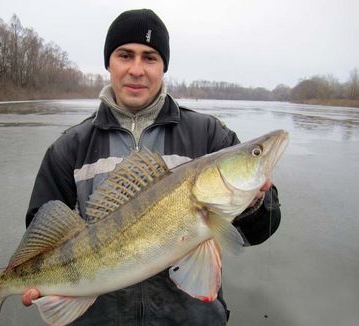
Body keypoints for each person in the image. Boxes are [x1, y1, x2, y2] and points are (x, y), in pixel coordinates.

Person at [22, 8, 281, 325]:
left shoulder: (210, 135)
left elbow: (257, 231)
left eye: (149, 57)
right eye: (125, 55)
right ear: (109, 63)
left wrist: (255, 203)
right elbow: (40, 229)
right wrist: (38, 281)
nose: (136, 69)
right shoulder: (70, 146)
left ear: (163, 67)